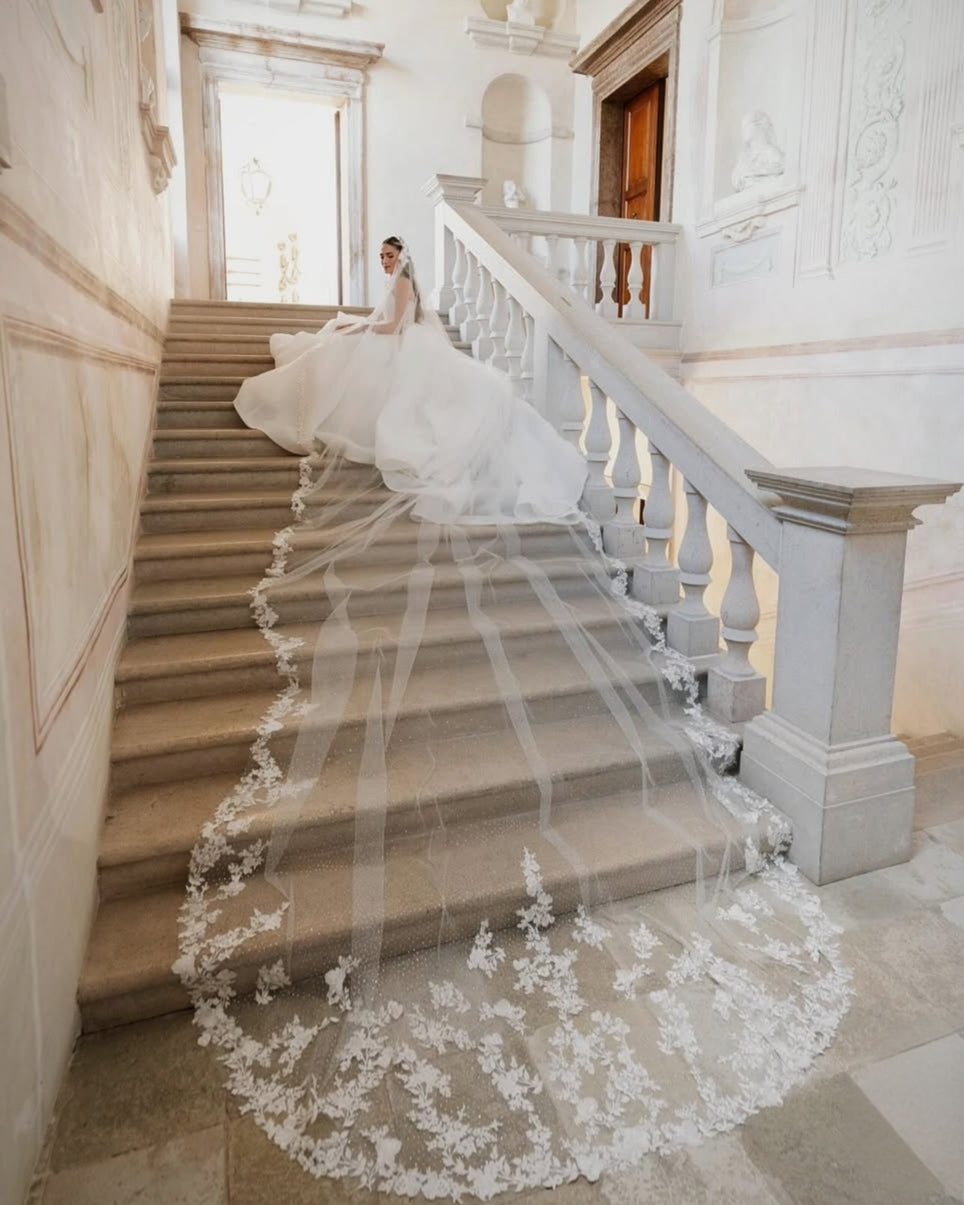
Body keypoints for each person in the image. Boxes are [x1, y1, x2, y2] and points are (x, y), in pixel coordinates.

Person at [234, 235, 588, 525]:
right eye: (381, 256)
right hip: (406, 342)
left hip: (407, 346)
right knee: (337, 343)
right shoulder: (396, 280)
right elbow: (389, 320)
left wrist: (359, 326)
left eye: (389, 255)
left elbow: (392, 325)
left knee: (352, 359)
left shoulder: (402, 280)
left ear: (401, 255)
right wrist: (357, 324)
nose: (384, 261)